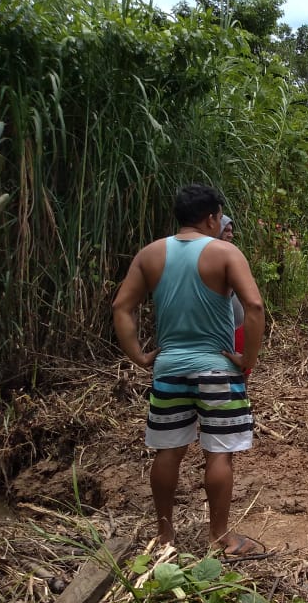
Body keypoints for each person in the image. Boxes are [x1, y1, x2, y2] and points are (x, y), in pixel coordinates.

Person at [112, 184, 265, 555]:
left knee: (168, 451)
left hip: (169, 370)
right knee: (218, 454)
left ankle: (165, 537)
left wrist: (138, 356)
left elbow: (121, 306)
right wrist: (248, 360)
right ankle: (220, 535)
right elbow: (255, 306)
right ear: (212, 217)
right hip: (217, 368)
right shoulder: (225, 253)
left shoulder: (150, 255)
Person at [219, 215, 250, 377]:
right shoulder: (208, 259)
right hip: (221, 327)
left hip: (238, 323)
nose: (230, 235)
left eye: (232, 231)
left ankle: (243, 399)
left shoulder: (234, 255)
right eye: (226, 230)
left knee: (242, 369)